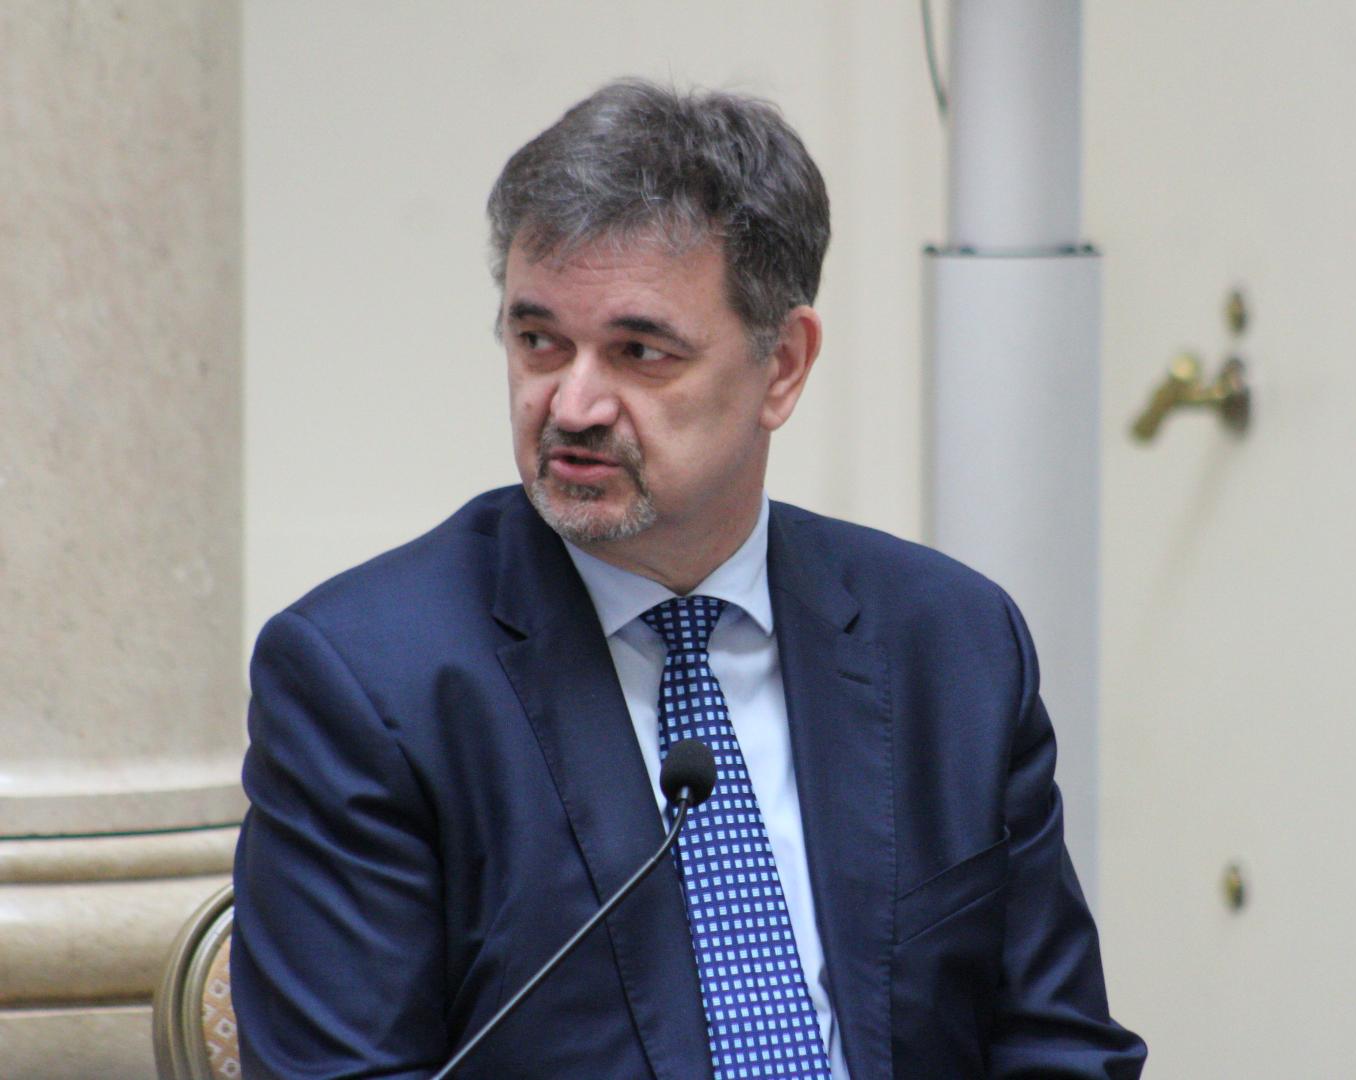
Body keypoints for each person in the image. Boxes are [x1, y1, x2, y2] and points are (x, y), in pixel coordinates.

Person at [232, 79, 1146, 1079]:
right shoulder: (369, 684)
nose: (572, 405)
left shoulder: (950, 646)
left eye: (639, 352)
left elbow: (1056, 1044)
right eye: (539, 341)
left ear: (782, 365)